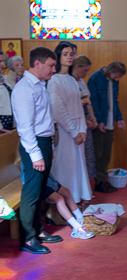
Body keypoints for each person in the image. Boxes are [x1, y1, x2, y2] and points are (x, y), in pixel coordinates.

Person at [11, 46, 62, 254]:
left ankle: (38, 231)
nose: (53, 70)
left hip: (44, 142)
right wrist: (36, 154)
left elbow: (44, 121)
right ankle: (28, 238)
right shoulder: (24, 88)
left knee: (40, 191)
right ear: (37, 64)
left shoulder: (40, 85)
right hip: (34, 144)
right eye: (51, 65)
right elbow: (25, 127)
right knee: (31, 192)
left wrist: (49, 147)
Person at [47, 43, 92, 204]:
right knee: (65, 167)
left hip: (77, 130)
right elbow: (58, 110)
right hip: (65, 132)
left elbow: (79, 107)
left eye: (72, 54)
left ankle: (77, 199)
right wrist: (74, 132)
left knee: (77, 167)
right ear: (58, 56)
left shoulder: (73, 80)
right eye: (65, 54)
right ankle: (63, 204)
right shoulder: (54, 80)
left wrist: (83, 130)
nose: (69, 57)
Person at [88, 61, 126, 193]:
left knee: (106, 153)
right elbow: (93, 101)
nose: (117, 79)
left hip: (110, 121)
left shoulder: (114, 81)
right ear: (110, 71)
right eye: (116, 76)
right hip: (99, 121)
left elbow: (115, 101)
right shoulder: (95, 78)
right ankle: (98, 181)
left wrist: (119, 118)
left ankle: (103, 180)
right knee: (98, 153)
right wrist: (98, 121)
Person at [72, 55, 98, 181]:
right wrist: (84, 121)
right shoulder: (70, 81)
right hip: (76, 118)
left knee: (88, 153)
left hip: (86, 115)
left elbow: (87, 101)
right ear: (77, 67)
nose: (87, 73)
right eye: (85, 70)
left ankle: (87, 184)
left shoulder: (82, 82)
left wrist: (92, 118)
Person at [0, 50, 14, 135]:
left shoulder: (3, 77)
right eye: (0, 61)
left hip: (8, 121)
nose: (2, 64)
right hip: (2, 123)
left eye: (2, 61)